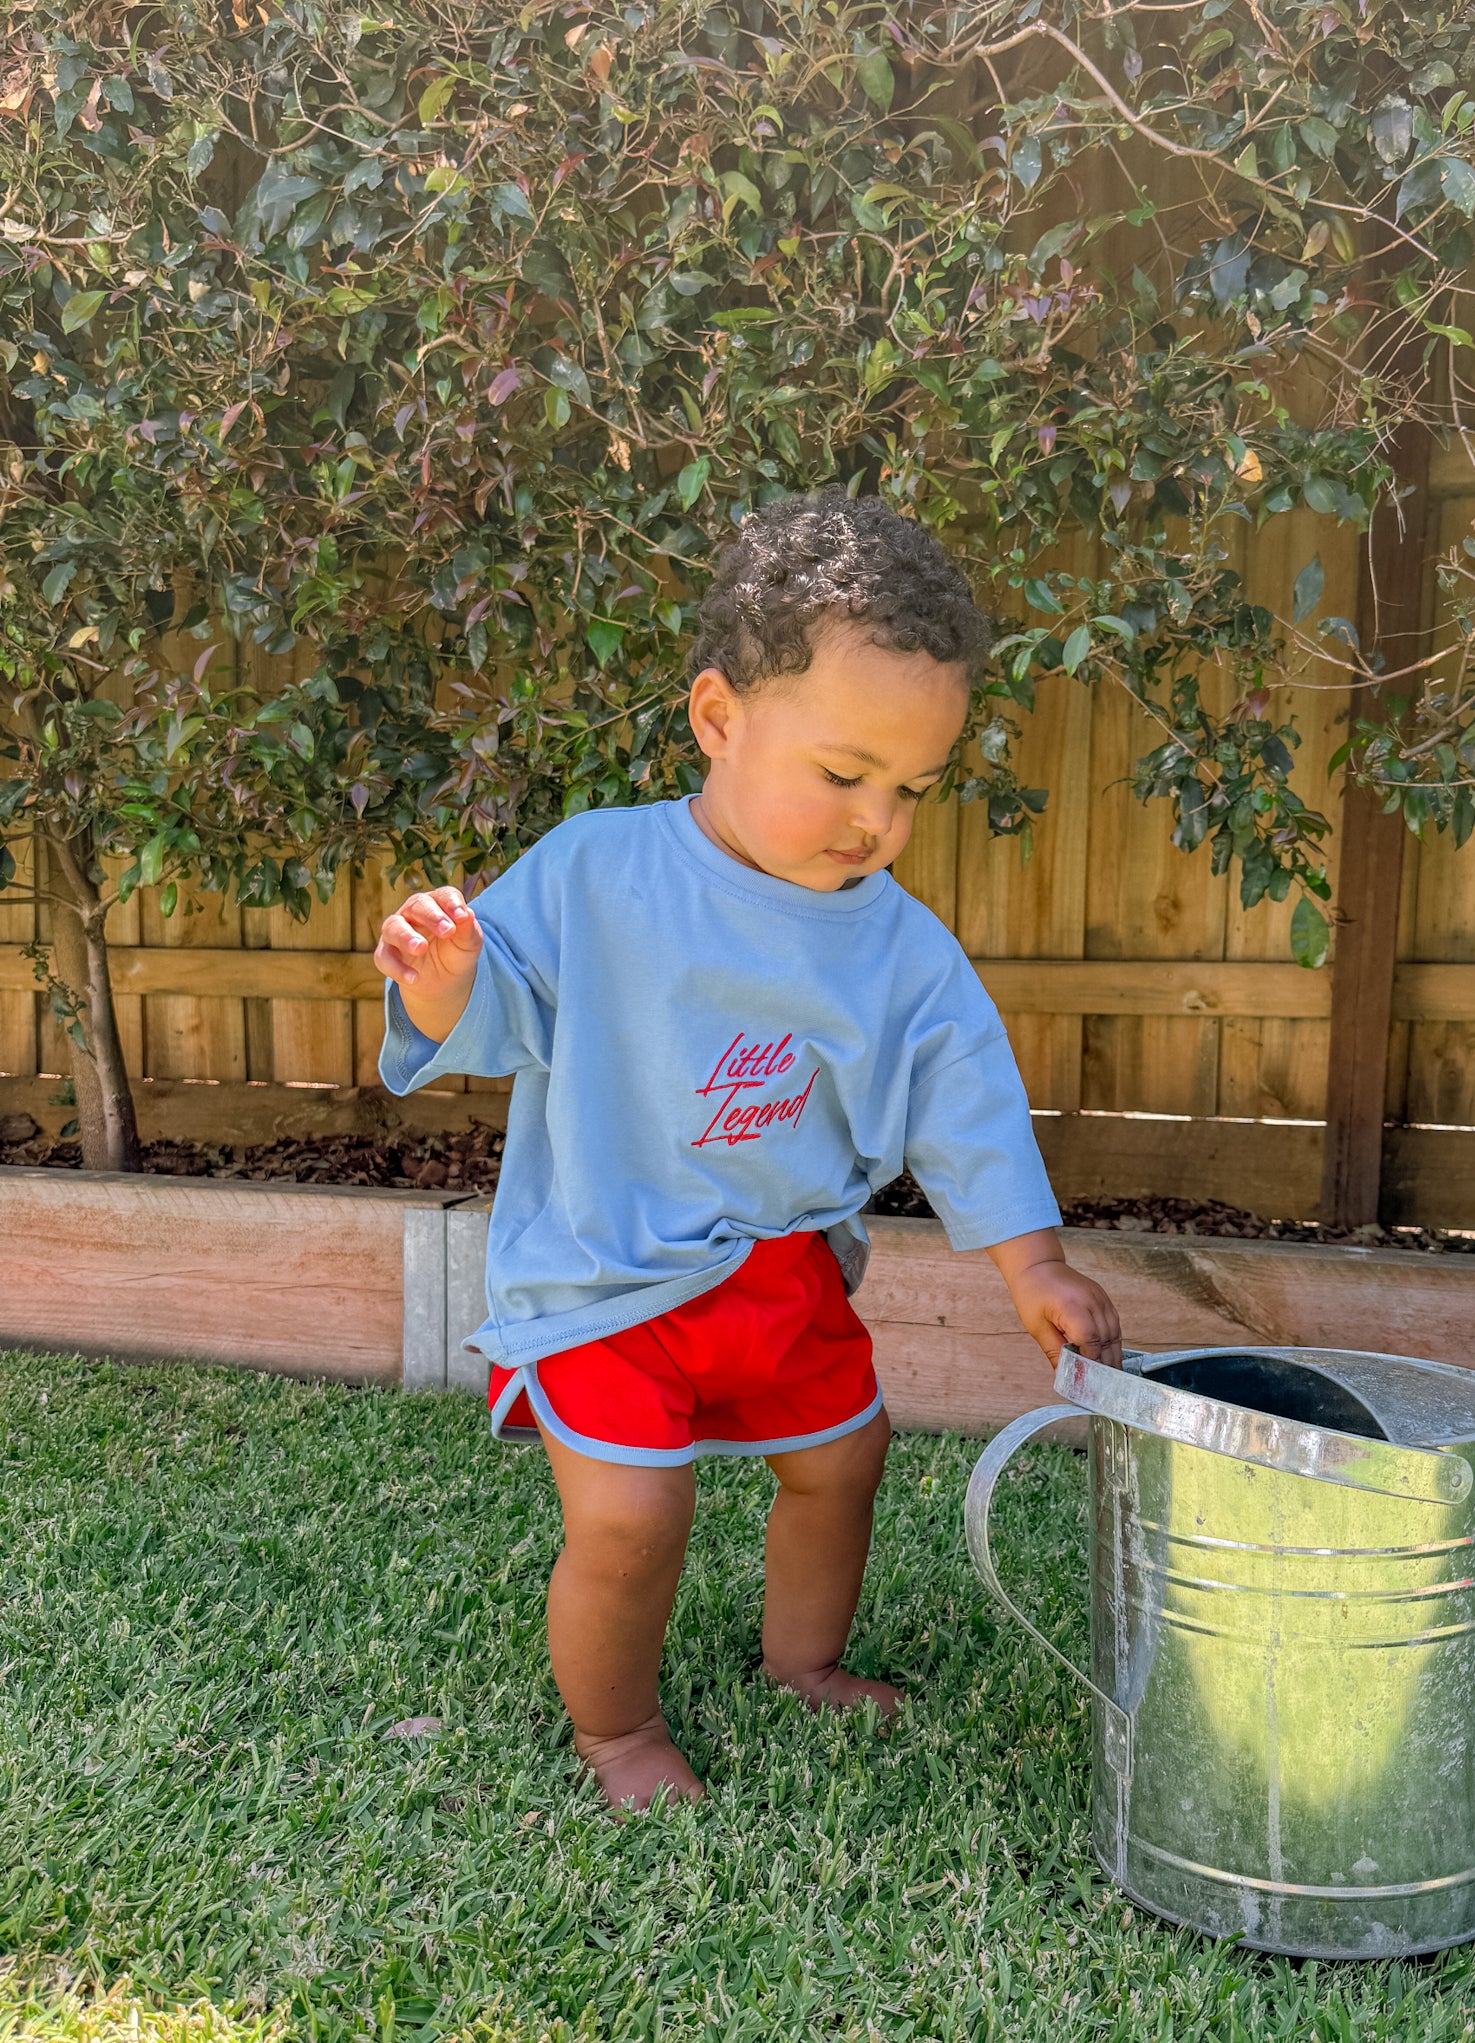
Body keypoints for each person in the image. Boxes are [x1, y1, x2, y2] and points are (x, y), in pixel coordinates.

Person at [373, 488, 1123, 1813]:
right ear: (720, 719)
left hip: (780, 1275)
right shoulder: (598, 870)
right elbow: (498, 1008)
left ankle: (803, 1663)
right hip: (608, 1276)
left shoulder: (900, 946)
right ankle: (617, 1733)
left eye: (912, 790)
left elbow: (967, 1099)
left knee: (844, 1460)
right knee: (631, 1517)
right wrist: (442, 984)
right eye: (844, 774)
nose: (877, 821)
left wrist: (1035, 1266)